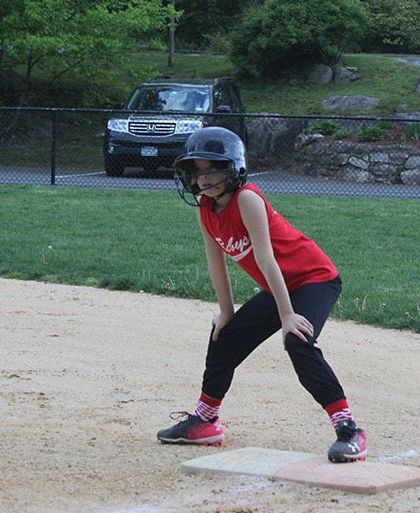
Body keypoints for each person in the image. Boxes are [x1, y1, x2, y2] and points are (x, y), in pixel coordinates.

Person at [156, 126, 366, 463]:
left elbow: (267, 258)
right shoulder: (205, 210)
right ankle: (206, 419)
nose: (204, 178)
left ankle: (349, 429)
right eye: (197, 171)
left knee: (298, 341)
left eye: (212, 168)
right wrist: (226, 312)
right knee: (224, 337)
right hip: (280, 284)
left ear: (232, 167)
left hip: (314, 278)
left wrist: (286, 315)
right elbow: (216, 262)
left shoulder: (247, 199)